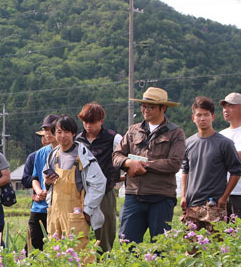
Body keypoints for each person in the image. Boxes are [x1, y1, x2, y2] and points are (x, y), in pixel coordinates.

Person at [113, 87, 186, 244]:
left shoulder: (176, 133)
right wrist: (127, 162)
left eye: (151, 107)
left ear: (163, 108)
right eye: (143, 106)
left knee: (160, 246)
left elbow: (174, 163)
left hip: (161, 197)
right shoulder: (133, 130)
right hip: (134, 195)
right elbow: (116, 156)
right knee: (127, 243)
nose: (146, 110)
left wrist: (144, 165)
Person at [43, 116, 106, 252]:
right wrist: (47, 182)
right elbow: (47, 181)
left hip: (75, 212)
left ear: (73, 133)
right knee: (55, 250)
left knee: (78, 251)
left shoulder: (83, 155)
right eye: (59, 132)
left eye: (66, 132)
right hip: (55, 211)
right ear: (54, 134)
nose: (62, 136)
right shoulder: (53, 155)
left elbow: (99, 183)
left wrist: (88, 209)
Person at [181, 97, 241, 231]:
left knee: (216, 248)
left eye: (206, 115)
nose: (202, 119)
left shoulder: (225, 144)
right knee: (191, 249)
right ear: (193, 117)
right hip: (192, 205)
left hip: (214, 205)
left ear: (213, 117)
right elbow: (185, 170)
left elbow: (236, 171)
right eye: (199, 115)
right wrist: (183, 195)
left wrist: (224, 197)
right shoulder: (188, 143)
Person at [76, 102, 122, 252]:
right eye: (85, 122)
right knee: (79, 233)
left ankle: (105, 265)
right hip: (82, 194)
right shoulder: (78, 140)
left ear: (101, 121)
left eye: (92, 122)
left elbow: (124, 160)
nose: (88, 126)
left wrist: (118, 178)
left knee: (105, 234)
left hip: (105, 193)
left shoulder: (113, 138)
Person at [219, 93, 241, 219]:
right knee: (221, 235)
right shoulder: (222, 134)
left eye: (231, 106)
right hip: (221, 192)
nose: (226, 110)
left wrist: (219, 161)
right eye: (224, 107)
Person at [29, 114, 60, 251]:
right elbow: (35, 178)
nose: (48, 133)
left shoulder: (70, 152)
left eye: (51, 129)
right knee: (34, 246)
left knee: (59, 246)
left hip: (60, 205)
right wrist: (38, 190)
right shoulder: (41, 153)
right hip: (40, 206)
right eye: (45, 129)